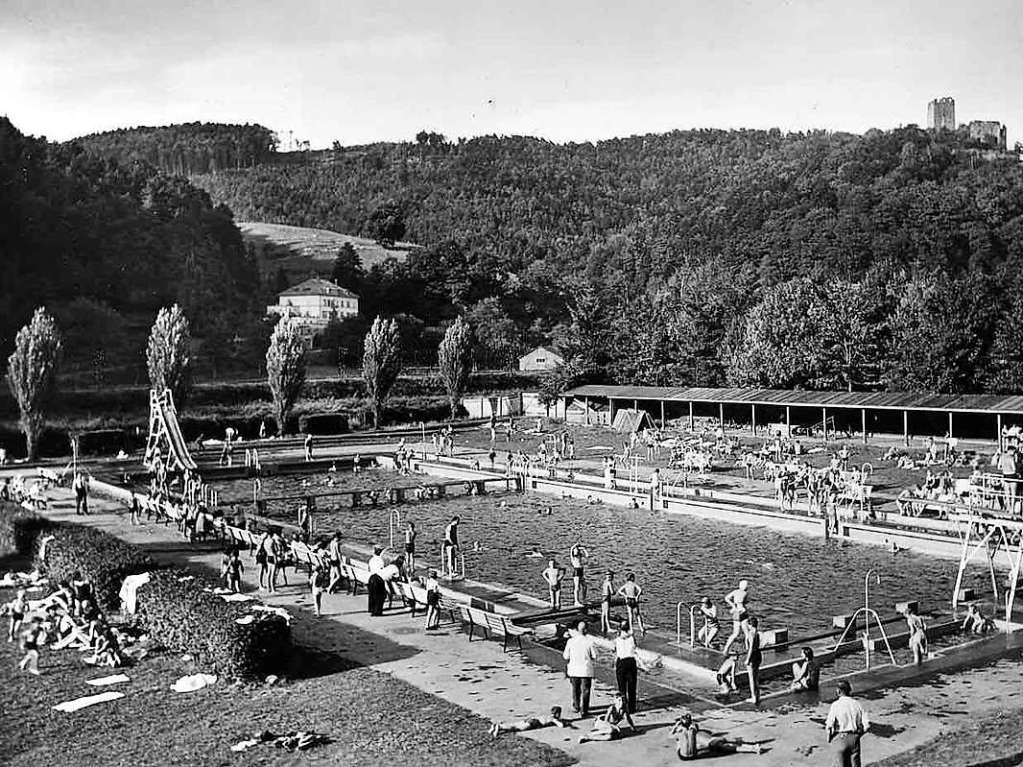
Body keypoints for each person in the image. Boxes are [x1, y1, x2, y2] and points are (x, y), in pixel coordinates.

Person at [671, 712, 762, 760]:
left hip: (685, 755)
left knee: (681, 743)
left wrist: (676, 726)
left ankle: (752, 748)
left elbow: (671, 735)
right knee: (729, 746)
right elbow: (695, 728)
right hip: (706, 746)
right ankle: (752, 748)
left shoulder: (679, 733)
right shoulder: (694, 731)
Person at [825, 680, 870, 767]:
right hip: (854, 739)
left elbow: (829, 726)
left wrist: (829, 739)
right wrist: (858, 735)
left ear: (838, 691)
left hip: (840, 737)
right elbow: (867, 725)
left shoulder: (835, 705)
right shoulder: (857, 704)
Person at [562, 621, 597, 717]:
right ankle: (584, 709)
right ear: (586, 630)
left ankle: (576, 706)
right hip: (585, 670)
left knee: (575, 689)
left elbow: (565, 656)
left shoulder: (571, 641)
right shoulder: (589, 642)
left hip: (573, 669)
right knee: (585, 690)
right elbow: (595, 656)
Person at [490, 706, 571, 737]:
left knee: (515, 724)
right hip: (533, 723)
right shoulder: (553, 719)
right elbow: (561, 725)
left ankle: (497, 726)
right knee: (516, 728)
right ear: (557, 713)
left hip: (531, 719)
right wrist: (565, 723)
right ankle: (499, 727)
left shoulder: (547, 715)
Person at [614, 622, 639, 714]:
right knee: (632, 686)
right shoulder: (632, 638)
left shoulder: (617, 639)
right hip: (631, 661)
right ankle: (632, 707)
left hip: (621, 661)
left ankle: (623, 706)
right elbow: (635, 647)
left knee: (622, 686)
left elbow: (615, 650)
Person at [721, 579, 750, 655]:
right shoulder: (745, 593)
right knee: (747, 632)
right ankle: (748, 648)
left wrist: (733, 606)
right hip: (743, 612)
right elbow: (745, 602)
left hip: (736, 613)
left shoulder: (735, 591)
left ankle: (726, 649)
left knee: (735, 633)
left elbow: (726, 598)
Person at [744, 616, 762, 705]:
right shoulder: (757, 633)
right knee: (756, 677)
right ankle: (757, 695)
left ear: (750, 625)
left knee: (751, 678)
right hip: (758, 654)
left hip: (752, 656)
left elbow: (750, 648)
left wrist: (747, 659)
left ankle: (753, 697)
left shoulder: (751, 634)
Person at [600, 570, 616, 635]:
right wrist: (615, 592)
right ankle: (609, 628)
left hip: (603, 598)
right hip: (607, 598)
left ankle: (603, 627)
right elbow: (612, 592)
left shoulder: (604, 582)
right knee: (607, 614)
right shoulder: (609, 582)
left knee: (603, 614)